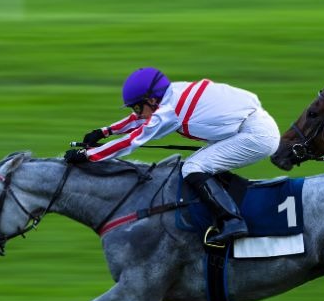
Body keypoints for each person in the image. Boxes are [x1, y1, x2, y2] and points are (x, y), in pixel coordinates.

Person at [65, 67, 280, 246]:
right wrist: (104, 131)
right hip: (250, 126)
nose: (136, 112)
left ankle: (232, 221)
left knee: (193, 168)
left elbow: (132, 141)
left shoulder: (169, 111)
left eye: (138, 107)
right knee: (197, 165)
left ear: (152, 100)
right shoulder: (171, 92)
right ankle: (230, 207)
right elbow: (141, 119)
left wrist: (88, 155)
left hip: (256, 135)